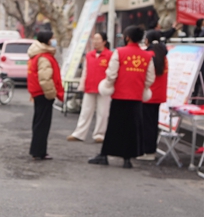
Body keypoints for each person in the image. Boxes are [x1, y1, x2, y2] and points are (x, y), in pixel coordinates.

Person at [88, 25, 155, 168]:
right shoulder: (147, 56)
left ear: (127, 38)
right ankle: (127, 159)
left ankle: (104, 155)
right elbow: (150, 78)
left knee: (114, 127)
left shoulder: (119, 52)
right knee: (132, 129)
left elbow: (111, 74)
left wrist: (108, 86)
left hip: (120, 96)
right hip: (136, 97)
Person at [67, 32, 113, 143]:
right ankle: (79, 133)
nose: (95, 41)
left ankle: (100, 134)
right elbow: (85, 72)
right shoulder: (89, 55)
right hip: (90, 86)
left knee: (103, 112)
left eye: (98, 39)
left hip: (104, 88)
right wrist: (82, 86)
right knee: (85, 111)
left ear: (104, 41)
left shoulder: (110, 55)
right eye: (94, 39)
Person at [27, 31, 64, 160]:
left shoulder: (39, 55)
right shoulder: (43, 57)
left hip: (38, 93)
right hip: (43, 94)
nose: (54, 40)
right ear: (48, 40)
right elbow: (45, 79)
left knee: (39, 122)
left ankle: (38, 150)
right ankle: (38, 151)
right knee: (42, 124)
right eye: (52, 38)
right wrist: (51, 94)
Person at [138, 30, 168, 161]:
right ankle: (151, 150)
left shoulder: (147, 55)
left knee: (146, 125)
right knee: (152, 124)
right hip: (158, 95)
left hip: (147, 94)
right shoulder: (163, 56)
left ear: (147, 40)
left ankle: (147, 151)